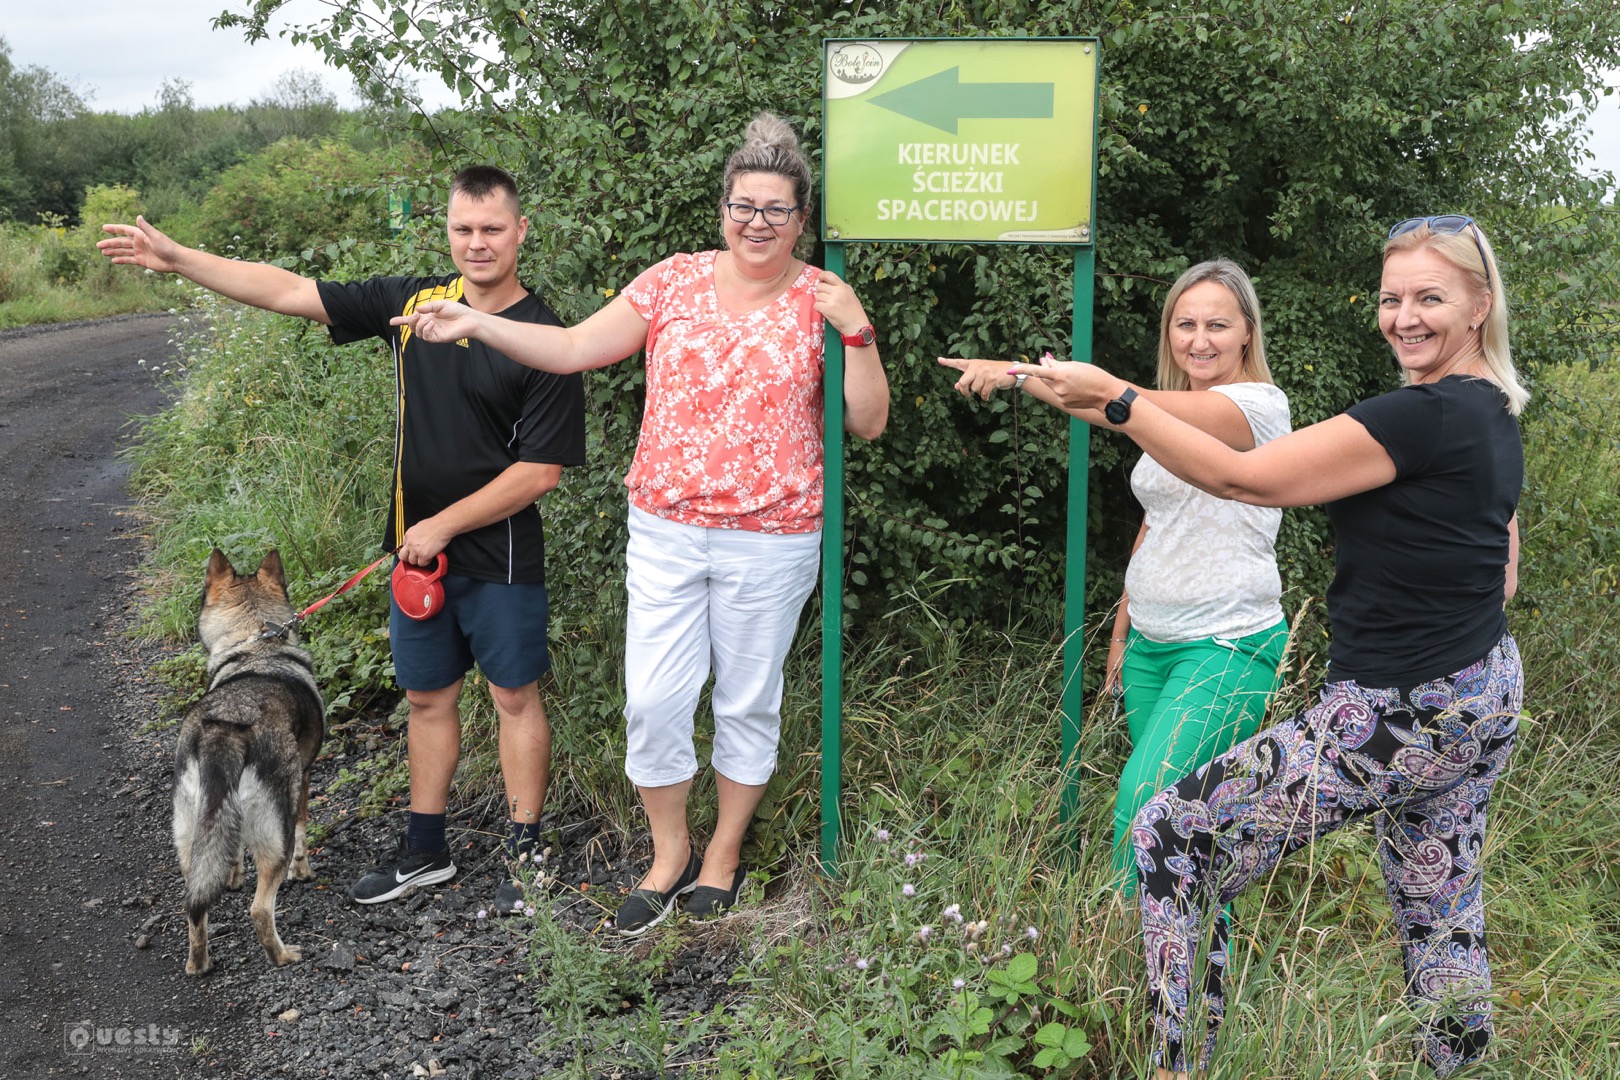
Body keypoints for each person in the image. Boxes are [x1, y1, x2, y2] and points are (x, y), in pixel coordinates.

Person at [1008, 216, 1524, 1078]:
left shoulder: (1422, 414)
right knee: (1441, 915)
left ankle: (1180, 1066)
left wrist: (1120, 399)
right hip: (1478, 690)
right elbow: (1501, 547)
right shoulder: (1490, 410)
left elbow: (1243, 477)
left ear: (1480, 305)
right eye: (1393, 298)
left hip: (1399, 710)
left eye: (1430, 298)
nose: (1405, 318)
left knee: (1173, 835)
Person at [390, 112, 890, 935]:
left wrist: (856, 329)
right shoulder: (672, 281)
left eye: (775, 209)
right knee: (654, 703)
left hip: (773, 539)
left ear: (802, 217)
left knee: (748, 703)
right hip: (664, 529)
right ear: (721, 208)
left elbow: (866, 422)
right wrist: (476, 322)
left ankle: (722, 853)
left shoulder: (821, 298)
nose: (755, 223)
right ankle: (667, 853)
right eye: (742, 205)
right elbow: (576, 346)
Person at [98, 167, 587, 915]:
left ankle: (527, 853)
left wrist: (444, 525)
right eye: (464, 229)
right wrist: (181, 260)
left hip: (500, 557)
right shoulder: (414, 304)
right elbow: (291, 290)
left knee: (513, 696)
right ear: (447, 232)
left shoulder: (545, 338)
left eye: (493, 229)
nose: (477, 243)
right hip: (415, 560)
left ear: (522, 231)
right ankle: (426, 849)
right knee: (427, 699)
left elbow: (540, 473)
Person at [940, 259, 1292, 895]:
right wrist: (1123, 631)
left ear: (1247, 333)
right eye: (1185, 324)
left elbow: (1116, 404)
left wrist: (1057, 379)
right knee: (1190, 823)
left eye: (1218, 324)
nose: (1200, 339)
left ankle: (1136, 958)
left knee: (1148, 802)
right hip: (1153, 649)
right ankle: (1190, 973)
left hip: (1227, 645)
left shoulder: (1257, 406)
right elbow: (1156, 517)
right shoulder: (1154, 411)